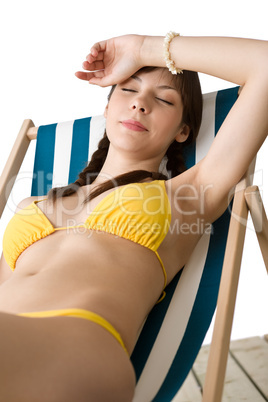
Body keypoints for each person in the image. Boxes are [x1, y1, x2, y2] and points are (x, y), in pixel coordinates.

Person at [0, 32, 267, 402]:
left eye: (162, 99)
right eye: (128, 91)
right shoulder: (35, 201)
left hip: (77, 344)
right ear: (106, 109)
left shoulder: (188, 195)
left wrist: (143, 48)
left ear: (183, 131)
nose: (140, 104)